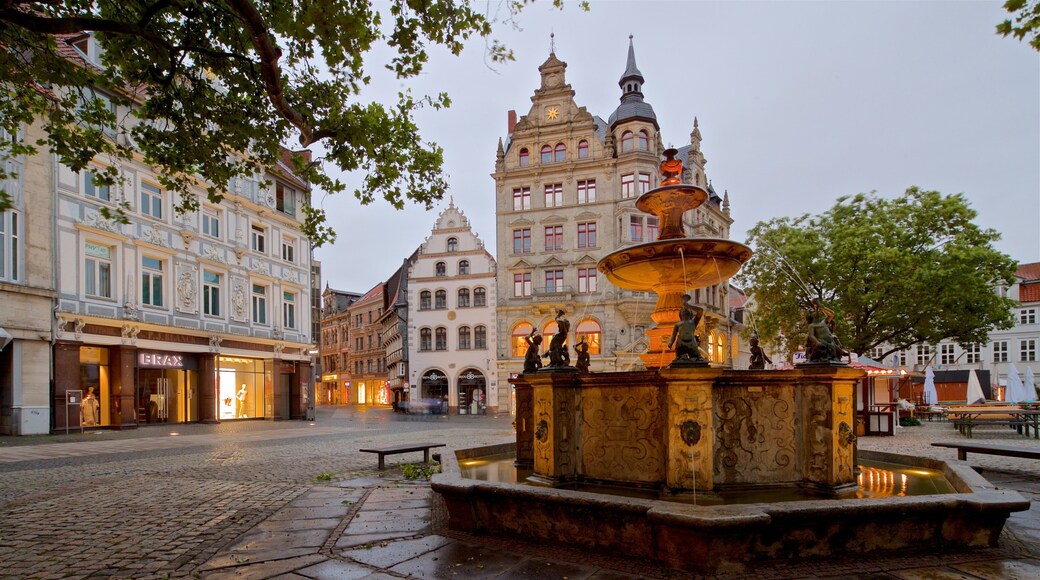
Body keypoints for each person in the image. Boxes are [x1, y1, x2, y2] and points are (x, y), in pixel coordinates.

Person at [668, 295, 705, 365]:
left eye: (687, 310)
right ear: (680, 314)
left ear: (691, 314)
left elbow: (700, 311)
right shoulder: (678, 324)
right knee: (679, 361)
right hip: (680, 343)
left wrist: (689, 306)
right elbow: (673, 335)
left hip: (692, 343)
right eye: (683, 310)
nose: (685, 311)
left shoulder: (694, 322)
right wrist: (670, 342)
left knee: (697, 359)